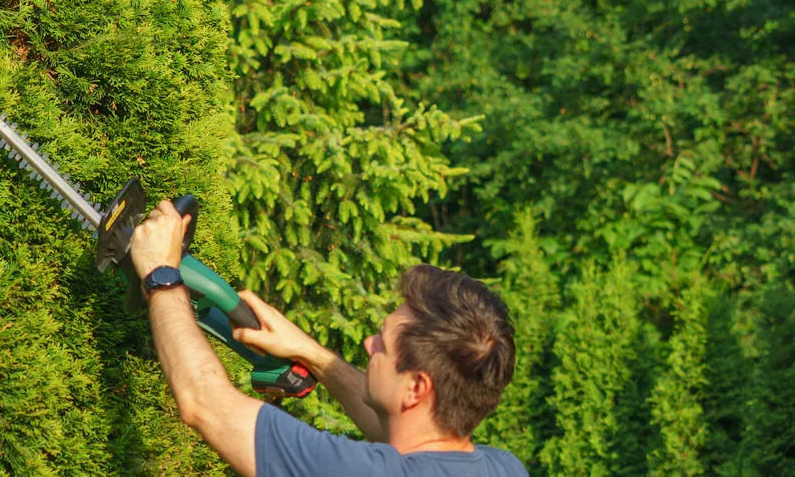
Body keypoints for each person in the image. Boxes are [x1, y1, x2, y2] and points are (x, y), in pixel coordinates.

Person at [129, 200, 527, 477]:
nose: (369, 345)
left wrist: (162, 275)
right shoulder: (503, 468)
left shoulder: (357, 471)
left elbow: (206, 404)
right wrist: (311, 354)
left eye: (383, 345)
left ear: (417, 388)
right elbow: (399, 429)